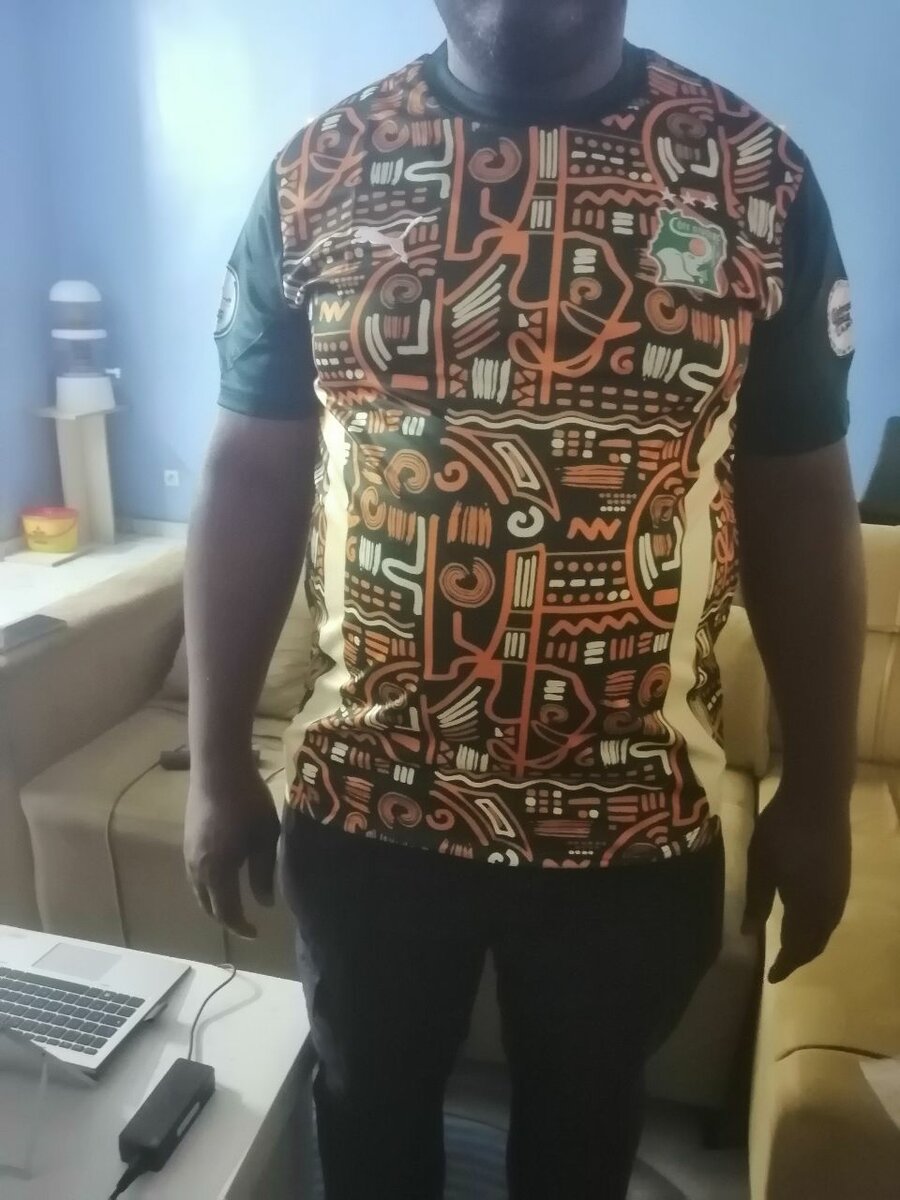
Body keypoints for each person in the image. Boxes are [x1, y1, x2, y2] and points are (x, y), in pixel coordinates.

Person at [184, 1, 865, 1195]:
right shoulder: (317, 174)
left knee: (582, 1143)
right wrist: (213, 761)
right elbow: (250, 478)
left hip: (635, 821)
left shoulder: (753, 178)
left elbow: (803, 507)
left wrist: (816, 795)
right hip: (369, 804)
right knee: (367, 1120)